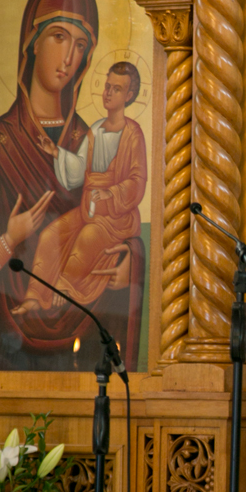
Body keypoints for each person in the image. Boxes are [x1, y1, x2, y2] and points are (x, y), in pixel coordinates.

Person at [0, 0, 100, 358]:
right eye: (58, 36)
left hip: (85, 322)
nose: (69, 58)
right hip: (8, 339)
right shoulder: (0, 143)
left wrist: (125, 261)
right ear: (32, 43)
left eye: (80, 45)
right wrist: (9, 239)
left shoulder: (91, 143)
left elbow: (110, 222)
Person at [12, 61, 147, 314]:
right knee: (51, 235)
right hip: (89, 209)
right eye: (107, 87)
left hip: (116, 218)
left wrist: (112, 192)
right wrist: (57, 154)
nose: (108, 93)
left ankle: (66, 287)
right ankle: (34, 296)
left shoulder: (133, 134)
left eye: (116, 89)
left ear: (129, 96)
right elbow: (79, 170)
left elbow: (138, 180)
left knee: (87, 239)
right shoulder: (95, 129)